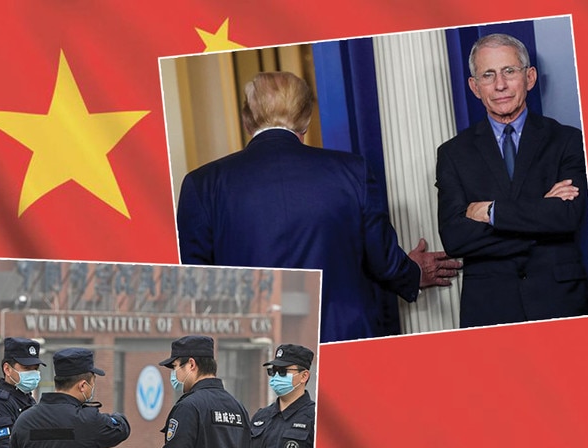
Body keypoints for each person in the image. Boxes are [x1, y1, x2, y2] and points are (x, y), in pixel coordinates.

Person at [176, 71, 461, 343]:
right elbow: (382, 260)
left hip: (255, 352)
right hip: (345, 340)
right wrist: (412, 273)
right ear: (306, 119)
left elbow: (195, 290)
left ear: (246, 120)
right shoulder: (352, 171)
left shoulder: (200, 185)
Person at [436, 33, 588, 328]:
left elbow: (565, 217)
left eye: (509, 71)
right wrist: (539, 214)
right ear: (474, 87)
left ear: (530, 77)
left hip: (561, 302)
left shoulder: (567, 140)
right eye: (488, 75)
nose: (500, 85)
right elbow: (455, 239)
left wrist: (489, 212)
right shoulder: (452, 154)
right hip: (489, 308)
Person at [8, 347, 130, 448]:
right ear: (83, 385)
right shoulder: (88, 420)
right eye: (92, 382)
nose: (93, 387)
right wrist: (117, 417)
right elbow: (122, 428)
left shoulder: (24, 420)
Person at [157, 335, 251, 448]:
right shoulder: (238, 408)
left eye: (175, 367)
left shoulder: (188, 407)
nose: (173, 374)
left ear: (191, 364)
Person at [246, 344, 316, 448]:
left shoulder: (315, 419)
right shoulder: (261, 417)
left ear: (304, 376)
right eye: (273, 371)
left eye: (283, 371)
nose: (276, 376)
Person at [0, 337, 46, 448]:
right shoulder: (0, 405)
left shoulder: (28, 400)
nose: (33, 373)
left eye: (35, 368)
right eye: (26, 368)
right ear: (7, 369)